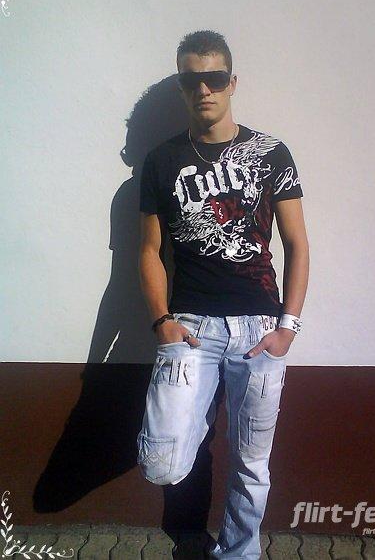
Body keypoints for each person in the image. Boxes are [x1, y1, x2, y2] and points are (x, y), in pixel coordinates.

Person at [136, 29, 309, 559]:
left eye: (214, 78)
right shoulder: (162, 161)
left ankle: (238, 553)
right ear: (182, 88)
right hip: (191, 330)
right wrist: (162, 321)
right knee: (162, 462)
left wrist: (287, 328)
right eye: (192, 80)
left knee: (251, 461)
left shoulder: (271, 153)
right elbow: (148, 250)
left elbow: (298, 244)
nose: (203, 89)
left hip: (259, 330)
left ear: (232, 83)